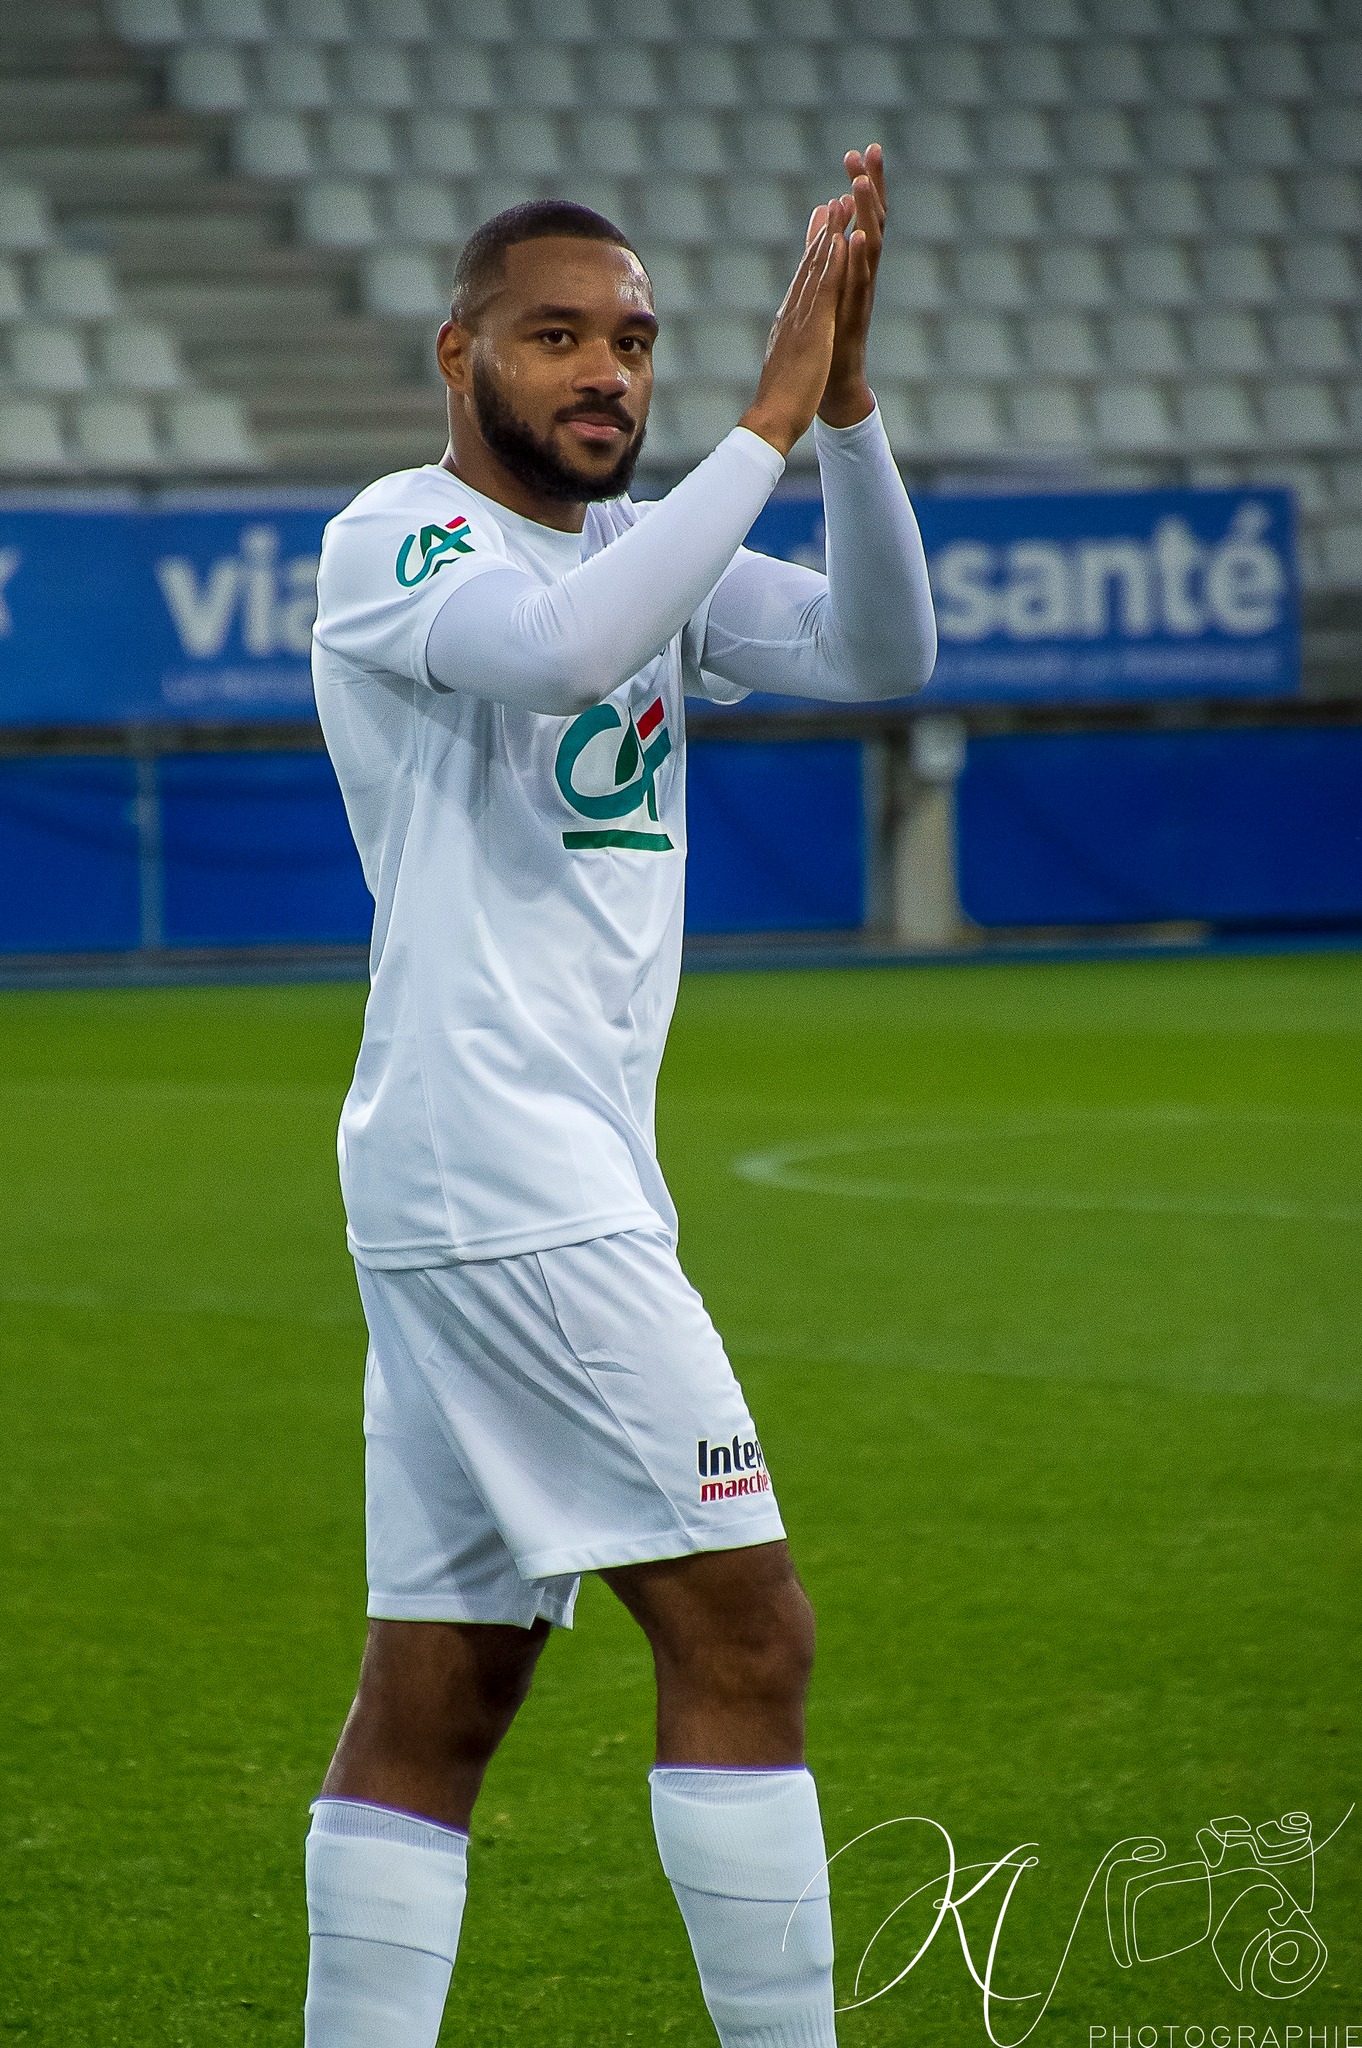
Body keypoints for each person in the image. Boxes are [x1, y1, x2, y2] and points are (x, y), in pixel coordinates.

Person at [306, 144, 935, 2048]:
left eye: (636, 342)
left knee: (442, 1686)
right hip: (504, 1172)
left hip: (512, 1179)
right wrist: (753, 419)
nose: (607, 373)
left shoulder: (637, 553)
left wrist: (842, 418)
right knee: (748, 1634)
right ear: (458, 353)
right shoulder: (400, 537)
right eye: (559, 336)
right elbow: (561, 653)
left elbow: (877, 652)